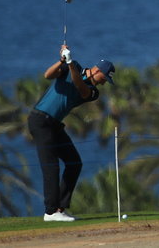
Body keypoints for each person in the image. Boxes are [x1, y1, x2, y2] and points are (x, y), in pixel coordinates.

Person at [27, 43, 116, 221]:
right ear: (97, 70)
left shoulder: (93, 92)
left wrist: (70, 64)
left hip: (54, 124)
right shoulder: (71, 67)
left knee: (74, 162)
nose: (104, 81)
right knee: (51, 166)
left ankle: (60, 207)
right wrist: (62, 61)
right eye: (104, 77)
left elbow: (79, 87)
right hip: (40, 121)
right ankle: (51, 212)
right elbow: (48, 75)